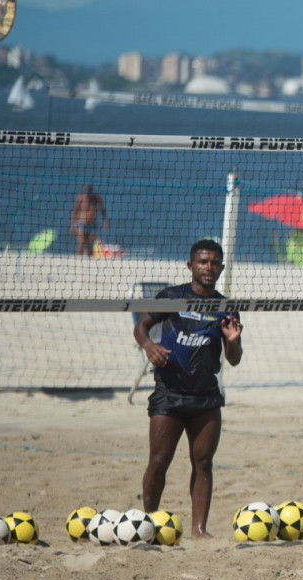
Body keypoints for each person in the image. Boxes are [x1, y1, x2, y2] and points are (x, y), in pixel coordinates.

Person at [133, 238, 243, 538]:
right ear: (190, 266)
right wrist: (148, 346)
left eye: (214, 263)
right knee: (158, 462)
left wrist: (232, 343)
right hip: (169, 394)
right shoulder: (171, 297)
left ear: (221, 268)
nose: (209, 268)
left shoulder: (224, 307)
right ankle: (147, 522)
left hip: (206, 398)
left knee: (203, 463)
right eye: (203, 262)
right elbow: (141, 326)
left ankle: (199, 529)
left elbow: (234, 360)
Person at [70, 184, 108, 258]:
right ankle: (77, 260)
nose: (87, 196)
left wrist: (105, 221)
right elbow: (75, 212)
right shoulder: (81, 198)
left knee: (91, 245)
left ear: (91, 193)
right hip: (82, 224)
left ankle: (89, 263)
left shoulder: (96, 198)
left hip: (92, 225)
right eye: (85, 193)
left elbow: (102, 210)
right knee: (81, 243)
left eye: (88, 194)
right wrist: (73, 225)